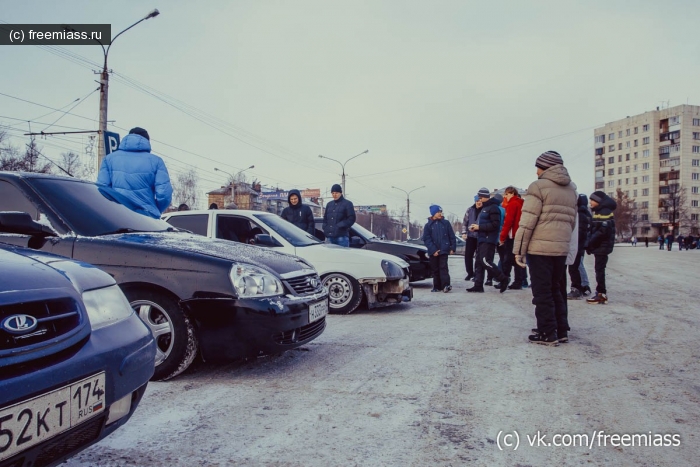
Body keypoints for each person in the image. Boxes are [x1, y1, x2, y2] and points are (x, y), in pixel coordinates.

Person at [513, 151, 577, 346]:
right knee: (557, 288)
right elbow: (572, 223)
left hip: (540, 248)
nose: (536, 171)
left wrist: (519, 250)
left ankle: (547, 333)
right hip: (560, 248)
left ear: (546, 167)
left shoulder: (538, 187)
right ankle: (561, 329)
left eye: (538, 167)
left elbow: (527, 222)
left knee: (542, 292)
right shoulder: (571, 190)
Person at [97, 127, 173, 218]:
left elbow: (102, 190)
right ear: (147, 141)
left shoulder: (109, 159)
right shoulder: (156, 161)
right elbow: (164, 194)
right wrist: (154, 209)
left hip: (117, 215)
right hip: (147, 217)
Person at [467, 188, 509, 293]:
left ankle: (503, 279)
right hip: (482, 238)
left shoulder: (493, 208)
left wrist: (479, 227)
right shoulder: (485, 208)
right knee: (478, 262)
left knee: (486, 261)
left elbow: (495, 225)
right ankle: (478, 285)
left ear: (485, 197)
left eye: (480, 197)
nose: (479, 200)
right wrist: (476, 227)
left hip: (488, 239)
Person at [586, 191, 617, 304]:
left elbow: (602, 231)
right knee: (599, 269)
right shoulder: (599, 211)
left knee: (599, 269)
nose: (590, 202)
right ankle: (600, 292)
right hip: (600, 245)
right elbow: (594, 229)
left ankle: (601, 293)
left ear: (598, 201)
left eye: (592, 200)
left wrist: (590, 242)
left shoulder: (604, 211)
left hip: (602, 246)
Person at [422, 205, 456, 292]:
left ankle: (446, 285)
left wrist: (452, 247)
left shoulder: (446, 223)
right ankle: (436, 286)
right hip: (433, 251)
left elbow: (451, 236)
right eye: (438, 212)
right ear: (433, 213)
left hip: (444, 249)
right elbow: (427, 239)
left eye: (441, 212)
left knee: (443, 267)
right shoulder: (428, 225)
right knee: (435, 269)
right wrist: (433, 250)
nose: (440, 213)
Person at [498, 186, 525, 290]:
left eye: (507, 194)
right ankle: (519, 281)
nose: (505, 196)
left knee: (507, 260)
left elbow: (508, 222)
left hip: (512, 235)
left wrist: (502, 236)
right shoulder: (521, 203)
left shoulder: (512, 204)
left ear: (512, 194)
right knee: (517, 259)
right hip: (519, 235)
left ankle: (504, 280)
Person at [567, 194, 592, 299]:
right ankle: (583, 286)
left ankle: (577, 288)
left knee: (574, 267)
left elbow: (579, 233)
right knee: (577, 266)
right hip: (580, 245)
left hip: (576, 245)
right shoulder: (586, 214)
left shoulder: (579, 215)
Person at [461, 195, 482, 281]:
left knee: (479, 257)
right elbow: (465, 222)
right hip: (470, 236)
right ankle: (470, 273)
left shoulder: (484, 210)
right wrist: (464, 232)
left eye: (480, 201)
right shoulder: (470, 210)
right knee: (468, 256)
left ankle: (477, 274)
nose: (479, 202)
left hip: (480, 236)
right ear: (475, 201)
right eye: (477, 201)